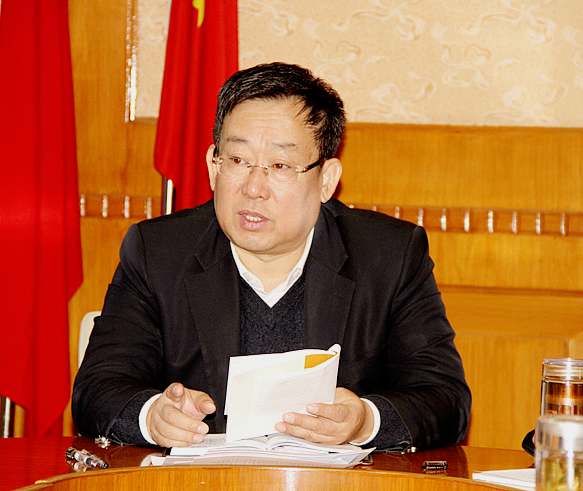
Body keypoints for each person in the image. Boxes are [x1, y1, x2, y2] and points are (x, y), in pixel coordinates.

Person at [72, 62, 471, 450]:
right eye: (238, 160)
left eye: (280, 165)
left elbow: (445, 400)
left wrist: (365, 419)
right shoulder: (158, 252)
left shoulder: (388, 256)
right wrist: (152, 416)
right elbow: (97, 388)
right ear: (213, 166)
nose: (253, 188)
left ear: (327, 180)